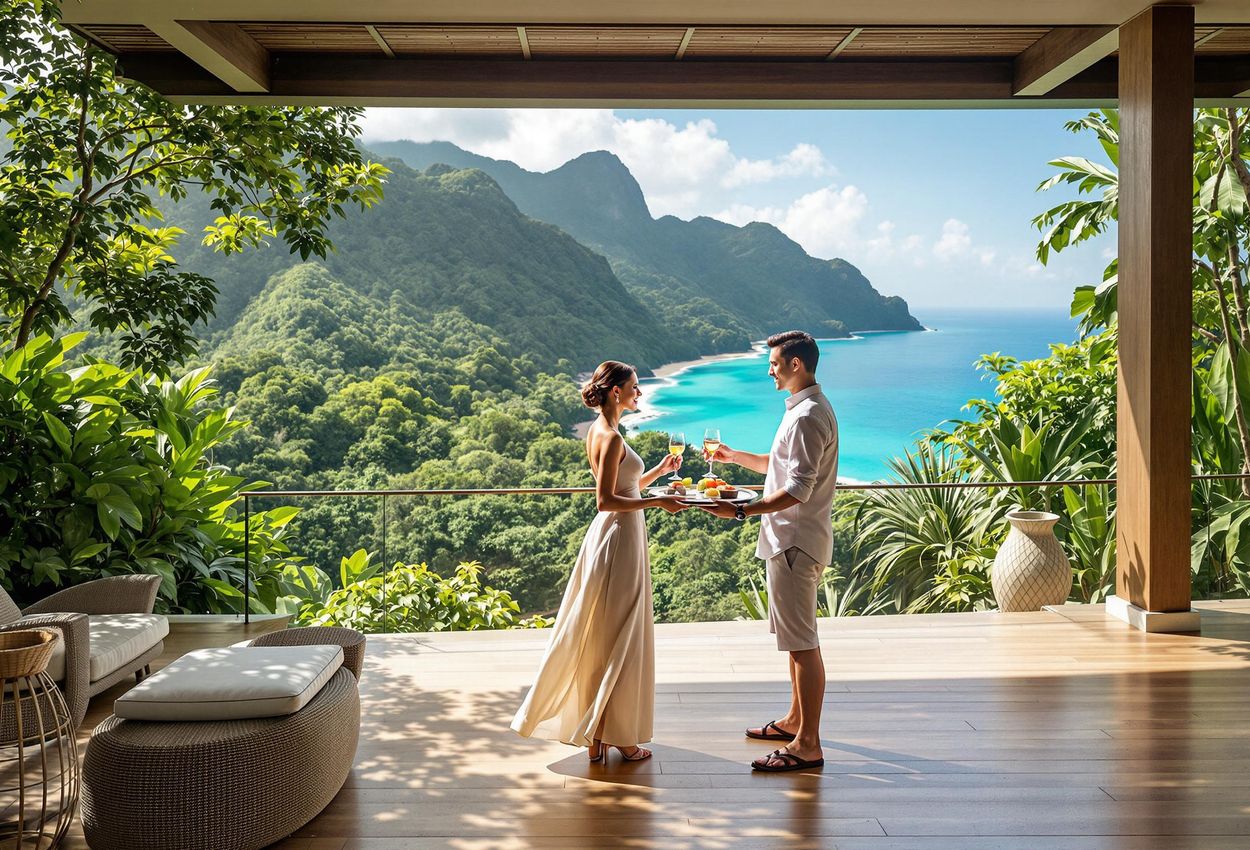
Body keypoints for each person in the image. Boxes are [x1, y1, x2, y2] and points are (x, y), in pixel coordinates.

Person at [512, 360, 688, 764]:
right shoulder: (610, 437)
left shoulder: (601, 430)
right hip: (619, 535)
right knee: (621, 633)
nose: (639, 393)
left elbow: (625, 486)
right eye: (634, 387)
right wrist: (658, 502)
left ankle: (597, 734)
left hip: (617, 533)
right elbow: (605, 499)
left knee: (606, 633)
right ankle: (617, 736)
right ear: (616, 392)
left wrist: (659, 472)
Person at [701, 331, 839, 772]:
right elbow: (779, 466)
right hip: (790, 540)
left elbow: (798, 489)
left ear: (796, 364)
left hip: (795, 541)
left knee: (803, 644)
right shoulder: (803, 409)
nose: (769, 371)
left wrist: (742, 510)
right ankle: (795, 720)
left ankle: (808, 744)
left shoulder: (807, 416)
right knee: (796, 642)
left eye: (775, 363)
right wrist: (734, 457)